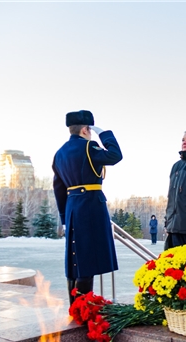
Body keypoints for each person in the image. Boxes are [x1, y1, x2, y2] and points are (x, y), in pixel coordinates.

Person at [52, 110, 123, 305]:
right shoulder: (89, 147)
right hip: (91, 205)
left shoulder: (59, 153)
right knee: (88, 257)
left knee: (76, 257)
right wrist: (105, 134)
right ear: (85, 129)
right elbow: (116, 155)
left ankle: (76, 304)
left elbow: (59, 189)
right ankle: (84, 307)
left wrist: (64, 218)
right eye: (90, 130)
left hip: (72, 207)